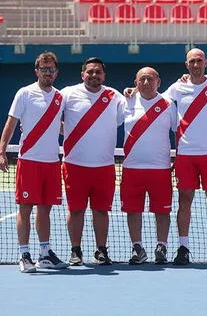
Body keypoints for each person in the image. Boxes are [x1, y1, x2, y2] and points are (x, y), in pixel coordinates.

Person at [163, 49, 207, 265]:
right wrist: (133, 92)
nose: (196, 65)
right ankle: (183, 247)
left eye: (199, 61)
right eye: (192, 61)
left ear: (206, 63)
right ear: (187, 65)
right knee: (185, 201)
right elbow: (156, 101)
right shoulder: (177, 88)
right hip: (186, 153)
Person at [0, 52, 68, 273]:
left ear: (56, 72)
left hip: (51, 163)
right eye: (43, 68)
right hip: (28, 161)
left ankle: (45, 253)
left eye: (51, 69)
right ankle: (24, 254)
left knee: (45, 210)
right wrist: (1, 152)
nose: (47, 73)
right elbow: (11, 124)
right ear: (36, 70)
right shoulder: (25, 93)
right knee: (25, 209)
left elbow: (60, 126)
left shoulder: (60, 97)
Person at [61, 57, 126, 266]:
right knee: (76, 210)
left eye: (98, 72)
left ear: (104, 75)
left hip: (104, 166)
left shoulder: (114, 96)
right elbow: (50, 116)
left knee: (101, 210)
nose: (94, 75)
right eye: (90, 72)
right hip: (74, 165)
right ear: (82, 74)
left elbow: (138, 106)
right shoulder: (67, 94)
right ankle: (75, 251)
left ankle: (101, 250)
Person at [121, 67, 177, 265]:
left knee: (162, 211)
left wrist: (178, 158)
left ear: (158, 82)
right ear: (136, 83)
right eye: (142, 79)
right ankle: (137, 247)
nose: (146, 83)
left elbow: (177, 132)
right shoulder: (125, 102)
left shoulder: (168, 104)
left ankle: (161, 246)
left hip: (160, 169)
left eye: (150, 79)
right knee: (133, 210)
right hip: (132, 168)